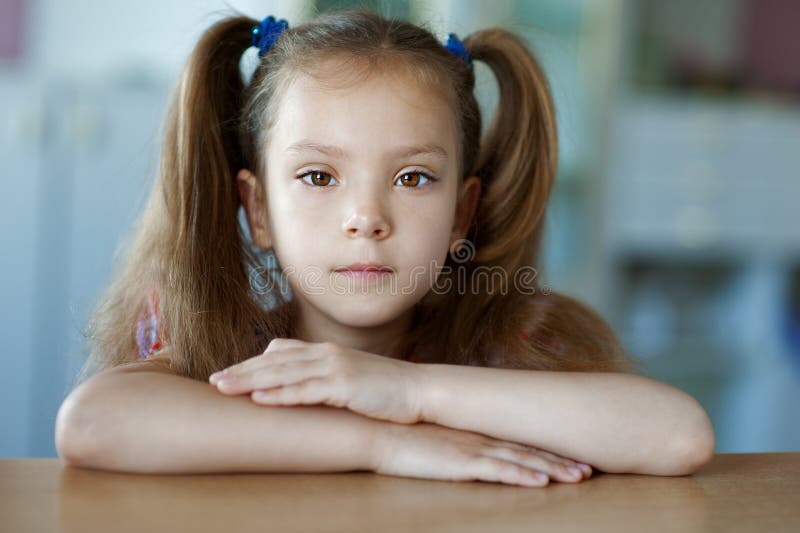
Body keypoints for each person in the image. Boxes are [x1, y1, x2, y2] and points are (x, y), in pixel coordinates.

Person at [55, 9, 715, 487]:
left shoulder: (502, 344)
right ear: (258, 208)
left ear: (462, 213)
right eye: (319, 176)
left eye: (413, 178)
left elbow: (677, 433)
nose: (366, 218)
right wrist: (384, 443)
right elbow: (90, 422)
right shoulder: (224, 349)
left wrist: (409, 390)